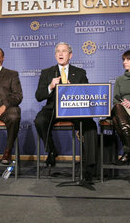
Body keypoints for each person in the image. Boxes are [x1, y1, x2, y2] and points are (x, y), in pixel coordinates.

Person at [35, 42, 98, 180]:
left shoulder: (80, 73)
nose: (60, 53)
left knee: (90, 124)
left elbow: (87, 94)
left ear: (70, 55)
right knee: (40, 120)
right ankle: (51, 150)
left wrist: (73, 89)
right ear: (55, 55)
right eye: (58, 51)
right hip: (53, 109)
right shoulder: (47, 72)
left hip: (73, 109)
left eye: (64, 51)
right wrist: (51, 86)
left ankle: (89, 167)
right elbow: (39, 96)